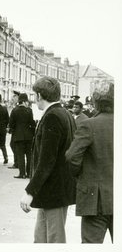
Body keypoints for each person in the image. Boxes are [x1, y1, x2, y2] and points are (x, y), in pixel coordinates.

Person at [20, 76, 76, 243]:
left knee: (54, 239)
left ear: (38, 95)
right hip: (55, 190)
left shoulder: (52, 116)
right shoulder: (65, 113)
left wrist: (30, 192)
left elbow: (46, 160)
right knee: (41, 238)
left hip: (53, 191)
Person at [65, 81, 113, 243]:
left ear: (95, 102)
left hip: (95, 200)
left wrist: (81, 176)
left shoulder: (89, 125)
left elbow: (72, 156)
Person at [9, 93, 35, 178]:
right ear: (24, 101)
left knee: (20, 156)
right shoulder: (29, 111)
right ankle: (29, 173)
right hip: (28, 137)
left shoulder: (14, 110)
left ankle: (22, 173)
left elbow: (11, 124)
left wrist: (14, 131)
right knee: (29, 156)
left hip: (18, 137)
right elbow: (32, 124)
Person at [8, 90, 20, 169]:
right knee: (13, 145)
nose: (12, 98)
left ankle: (17, 163)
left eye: (14, 97)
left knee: (14, 145)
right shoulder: (15, 107)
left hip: (17, 131)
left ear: (17, 97)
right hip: (16, 130)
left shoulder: (17, 107)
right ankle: (17, 162)